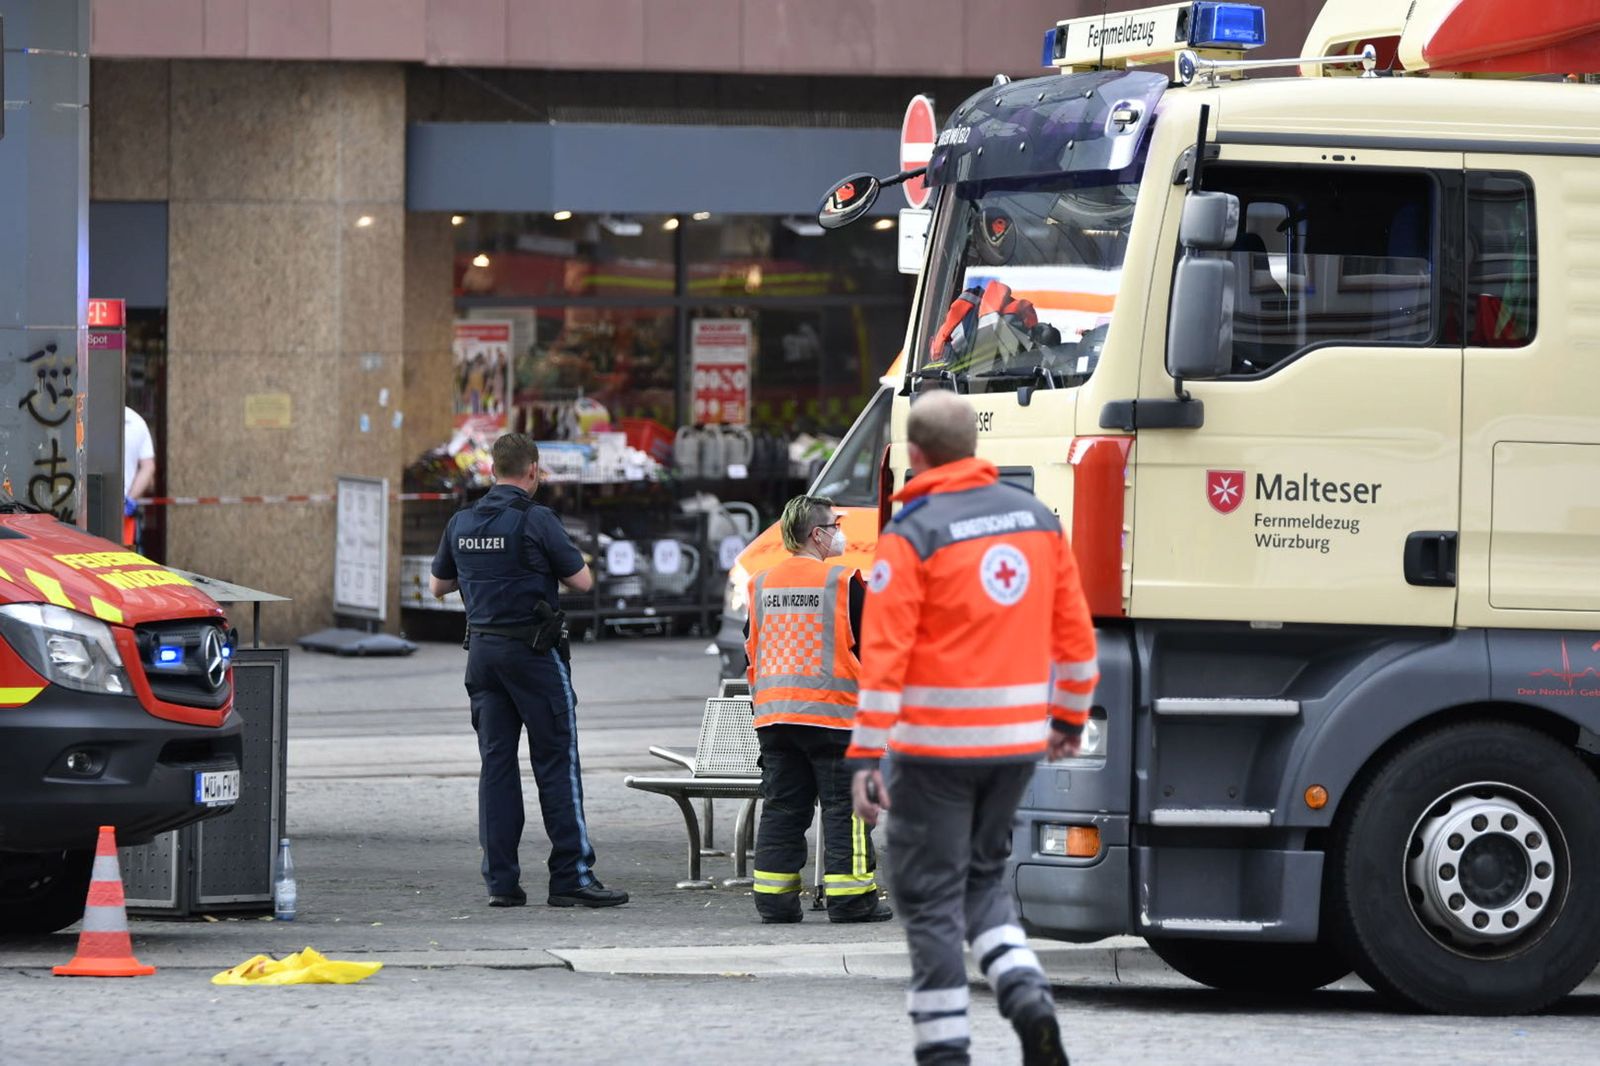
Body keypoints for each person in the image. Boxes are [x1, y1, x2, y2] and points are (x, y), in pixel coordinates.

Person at [847, 390, 1098, 1066]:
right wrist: (1069, 720)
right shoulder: (1037, 520)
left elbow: (886, 656)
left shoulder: (913, 532)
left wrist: (866, 756)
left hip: (933, 750)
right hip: (1015, 745)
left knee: (929, 899)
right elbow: (1076, 638)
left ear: (918, 455)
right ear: (975, 450)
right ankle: (1026, 994)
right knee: (982, 881)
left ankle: (945, 1050)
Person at [429, 433, 627, 909]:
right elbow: (581, 579)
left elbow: (439, 586)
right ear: (534, 470)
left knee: (496, 766)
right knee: (556, 762)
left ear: (493, 469)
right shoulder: (537, 520)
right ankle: (571, 877)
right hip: (534, 656)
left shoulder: (462, 521)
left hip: (482, 656)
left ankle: (501, 883)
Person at [744, 495, 892, 925]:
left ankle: (774, 901)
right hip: (834, 718)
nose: (840, 531)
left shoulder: (760, 584)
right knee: (847, 810)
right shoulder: (845, 583)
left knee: (783, 809)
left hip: (775, 719)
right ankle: (852, 901)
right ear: (817, 533)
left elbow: (750, 648)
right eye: (835, 523)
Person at [123, 407, 156, 549]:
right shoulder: (136, 421)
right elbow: (148, 467)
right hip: (123, 511)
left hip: (88, 511)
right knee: (120, 565)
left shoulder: (134, 422)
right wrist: (130, 498)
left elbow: (148, 467)